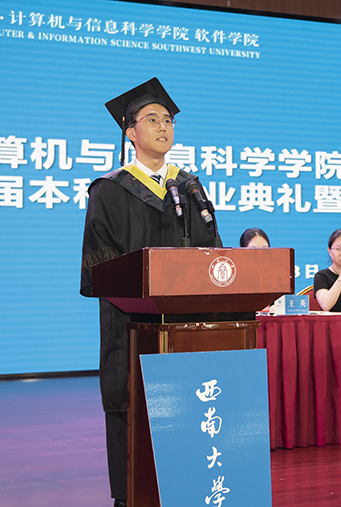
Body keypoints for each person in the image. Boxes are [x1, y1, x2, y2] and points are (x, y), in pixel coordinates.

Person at [80, 78, 222, 507]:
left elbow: (212, 252)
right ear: (130, 131)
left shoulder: (189, 189)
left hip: (183, 329)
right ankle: (130, 496)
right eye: (152, 119)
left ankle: (185, 489)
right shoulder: (109, 190)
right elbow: (100, 263)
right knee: (131, 406)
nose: (163, 127)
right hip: (131, 327)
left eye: (168, 120)